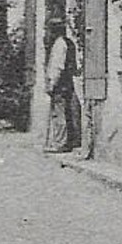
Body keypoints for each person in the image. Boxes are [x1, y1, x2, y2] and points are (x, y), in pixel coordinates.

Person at [42, 16, 81, 153]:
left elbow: (57, 67)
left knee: (59, 114)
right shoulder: (69, 43)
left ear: (54, 31)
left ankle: (60, 143)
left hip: (60, 84)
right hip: (68, 83)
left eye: (50, 30)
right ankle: (69, 141)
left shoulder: (59, 45)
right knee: (68, 112)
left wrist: (51, 84)